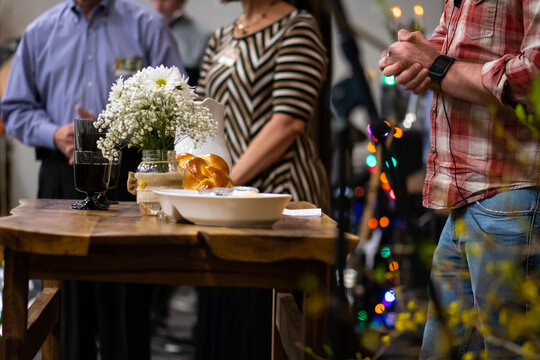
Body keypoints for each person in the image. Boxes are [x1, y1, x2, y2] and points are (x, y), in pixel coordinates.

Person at [0, 0, 183, 359]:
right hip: (61, 180)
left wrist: (118, 129)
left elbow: (177, 98)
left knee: (127, 308)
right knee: (64, 308)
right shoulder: (40, 32)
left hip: (126, 182)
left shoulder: (147, 24)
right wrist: (55, 134)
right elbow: (14, 108)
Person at [379, 0, 539, 358]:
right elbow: (449, 52)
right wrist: (412, 54)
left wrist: (434, 65)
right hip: (466, 200)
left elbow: (532, 79)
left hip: (512, 197)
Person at [194, 0, 330, 358]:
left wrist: (227, 182)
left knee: (262, 331)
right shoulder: (221, 36)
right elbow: (202, 115)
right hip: (225, 205)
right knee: (225, 324)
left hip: (277, 203)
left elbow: (288, 121)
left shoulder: (297, 28)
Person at [151, 0, 209, 86]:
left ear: (180, 2)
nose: (158, 5)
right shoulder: (141, 32)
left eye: (164, 0)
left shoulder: (200, 36)